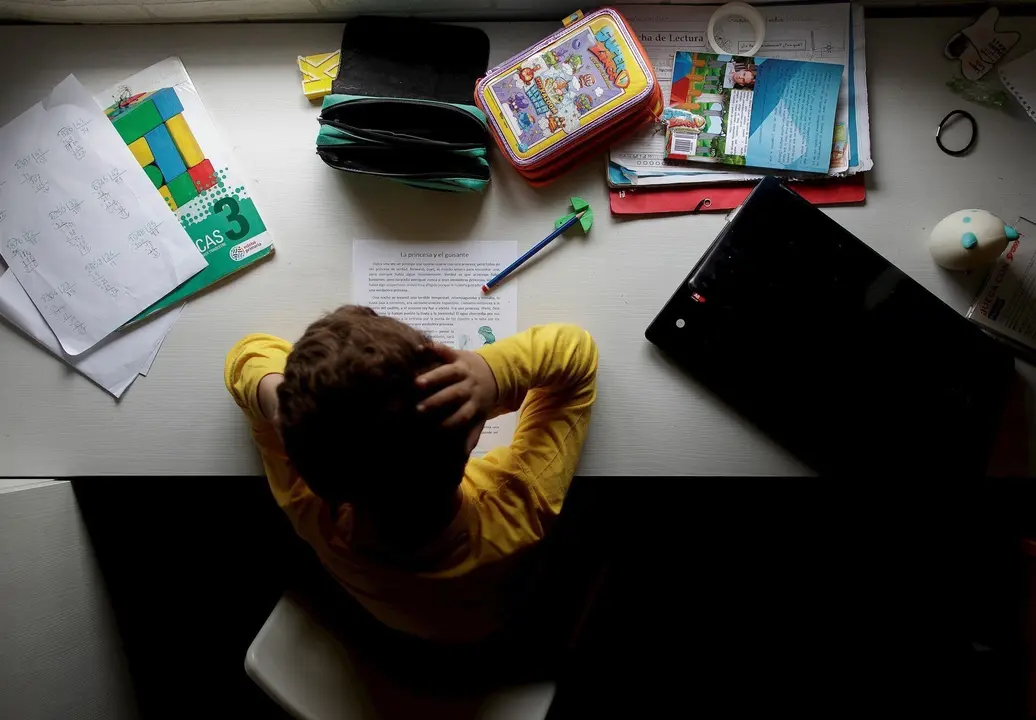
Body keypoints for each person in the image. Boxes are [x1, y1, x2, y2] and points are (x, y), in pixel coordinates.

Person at [224, 306, 598, 644]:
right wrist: (493, 372)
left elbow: (245, 356)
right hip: (506, 626)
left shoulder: (308, 505)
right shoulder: (517, 508)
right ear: (473, 431)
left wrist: (282, 402)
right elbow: (577, 356)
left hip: (384, 627)